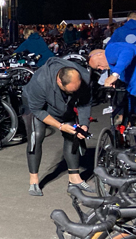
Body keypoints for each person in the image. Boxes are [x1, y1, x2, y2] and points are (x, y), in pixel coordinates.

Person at [21, 57, 92, 196]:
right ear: (59, 81)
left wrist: (84, 124)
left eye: (75, 90)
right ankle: (34, 180)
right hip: (39, 107)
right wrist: (59, 126)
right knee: (37, 135)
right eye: (70, 91)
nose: (73, 92)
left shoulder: (84, 76)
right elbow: (37, 110)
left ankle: (74, 177)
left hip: (64, 106)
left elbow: (85, 102)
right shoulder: (41, 81)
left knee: (73, 134)